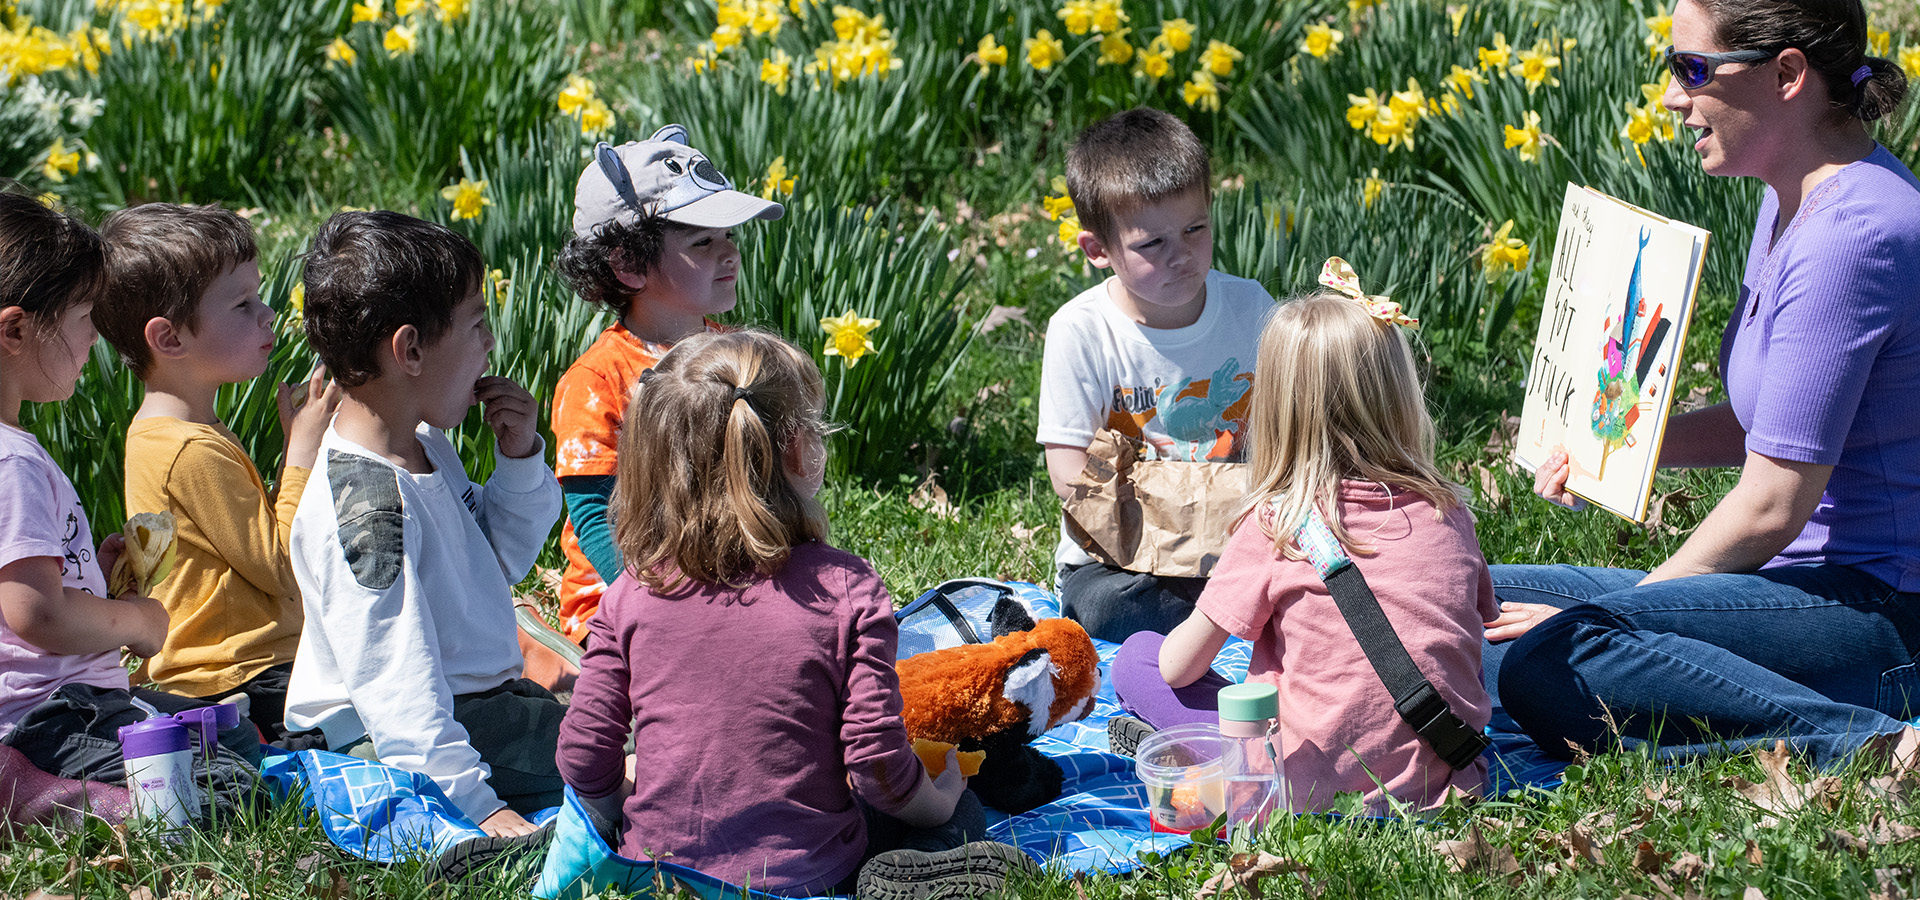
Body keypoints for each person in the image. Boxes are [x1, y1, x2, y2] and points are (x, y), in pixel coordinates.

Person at [1488, 0, 1920, 768]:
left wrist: (1619, 610)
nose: (1672, 97)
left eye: (1693, 69)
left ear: (1788, 74)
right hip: (1793, 587)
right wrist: (1614, 451)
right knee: (1460, 599)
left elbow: (1771, 505)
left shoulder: (1856, 236)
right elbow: (1776, 423)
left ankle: (1866, 742)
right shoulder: (1790, 196)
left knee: (1556, 653)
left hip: (1880, 612)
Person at [556, 330, 1035, 899]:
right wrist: (941, 803)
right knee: (962, 816)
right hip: (807, 876)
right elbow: (876, 760)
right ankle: (894, 884)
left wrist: (617, 816)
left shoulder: (631, 593)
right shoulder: (847, 589)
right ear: (800, 450)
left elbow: (584, 752)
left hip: (661, 875)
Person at [1107, 282, 1497, 812]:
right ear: (1401, 395)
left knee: (1138, 659)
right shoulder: (1448, 513)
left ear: (1276, 410)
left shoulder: (1278, 524)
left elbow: (1178, 668)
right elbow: (1465, 635)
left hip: (1304, 787)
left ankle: (1191, 756)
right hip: (1446, 777)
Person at [284, 211, 564, 841]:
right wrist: (480, 807)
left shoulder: (426, 444)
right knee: (626, 770)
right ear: (409, 350)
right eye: (477, 325)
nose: (491, 344)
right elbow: (395, 680)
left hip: (478, 708)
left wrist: (518, 460)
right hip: (396, 735)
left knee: (617, 739)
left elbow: (495, 565)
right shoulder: (365, 509)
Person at [0, 192, 257, 806]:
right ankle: (48, 798)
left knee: (238, 738)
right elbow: (38, 615)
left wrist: (90, 576)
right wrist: (138, 622)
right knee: (222, 791)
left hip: (59, 706)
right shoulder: (11, 459)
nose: (95, 338)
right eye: (84, 316)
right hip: (53, 714)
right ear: (15, 330)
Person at [92, 203, 341, 743]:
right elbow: (281, 565)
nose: (267, 313)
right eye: (242, 303)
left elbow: (166, 560)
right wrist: (302, 451)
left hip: (211, 673)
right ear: (170, 339)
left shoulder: (157, 435)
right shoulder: (190, 450)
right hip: (240, 676)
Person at [1037, 107, 1276, 645]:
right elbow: (1068, 467)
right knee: (1105, 611)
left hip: (1241, 540)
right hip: (1125, 562)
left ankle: (1243, 608)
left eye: (1195, 229)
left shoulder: (1251, 308)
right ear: (1098, 250)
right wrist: (1156, 534)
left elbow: (1294, 422)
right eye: (1152, 244)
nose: (1183, 256)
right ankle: (1248, 613)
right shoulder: (1081, 330)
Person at [549, 123, 782, 644]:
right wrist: (658, 606)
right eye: (703, 241)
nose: (729, 253)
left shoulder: (738, 353)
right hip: (620, 604)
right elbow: (596, 516)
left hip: (726, 580)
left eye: (729, 236)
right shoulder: (597, 381)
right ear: (629, 264)